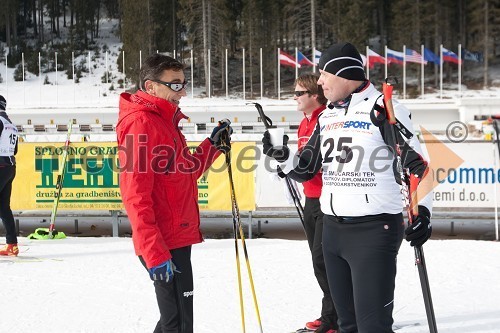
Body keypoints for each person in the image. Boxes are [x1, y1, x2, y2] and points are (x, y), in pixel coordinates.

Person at [262, 42, 432, 333]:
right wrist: (282, 156)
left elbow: (421, 167)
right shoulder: (328, 115)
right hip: (332, 232)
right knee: (346, 325)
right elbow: (305, 169)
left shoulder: (385, 109)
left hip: (373, 231)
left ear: (343, 73)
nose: (319, 82)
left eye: (324, 74)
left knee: (372, 326)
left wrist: (424, 213)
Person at [117, 54, 232, 333]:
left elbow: (184, 172)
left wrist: (212, 146)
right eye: (175, 85)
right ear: (151, 86)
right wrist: (154, 252)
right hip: (162, 241)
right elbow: (135, 195)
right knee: (178, 323)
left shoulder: (164, 120)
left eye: (183, 83)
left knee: (176, 321)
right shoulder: (140, 124)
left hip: (176, 236)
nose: (183, 92)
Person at [292, 74, 338, 333]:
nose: (295, 98)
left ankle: (335, 318)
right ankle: (331, 314)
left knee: (324, 261)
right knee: (318, 261)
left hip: (326, 199)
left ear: (314, 95)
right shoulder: (303, 122)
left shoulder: (325, 119)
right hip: (310, 198)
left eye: (299, 93)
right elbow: (302, 161)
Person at [0, 95, 19, 256]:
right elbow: (16, 150)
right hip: (10, 167)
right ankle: (12, 244)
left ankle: (12, 243)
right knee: (4, 208)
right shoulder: (11, 124)